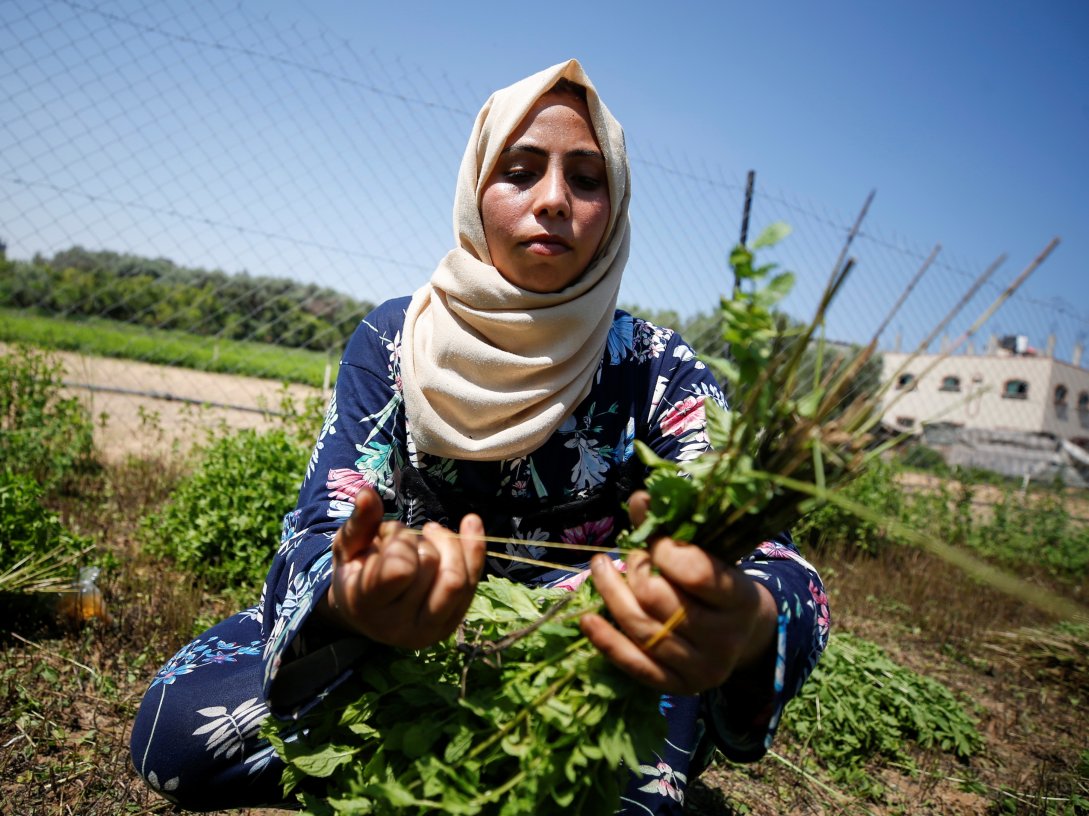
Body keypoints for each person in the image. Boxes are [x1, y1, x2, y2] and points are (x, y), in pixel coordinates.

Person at [130, 59, 829, 814]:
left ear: (615, 206)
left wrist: (743, 617)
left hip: (580, 656)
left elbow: (773, 563)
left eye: (587, 180)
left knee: (620, 714)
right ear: (473, 191)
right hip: (399, 644)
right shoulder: (395, 340)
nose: (553, 201)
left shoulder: (655, 369)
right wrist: (353, 597)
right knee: (175, 739)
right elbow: (321, 527)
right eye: (520, 171)